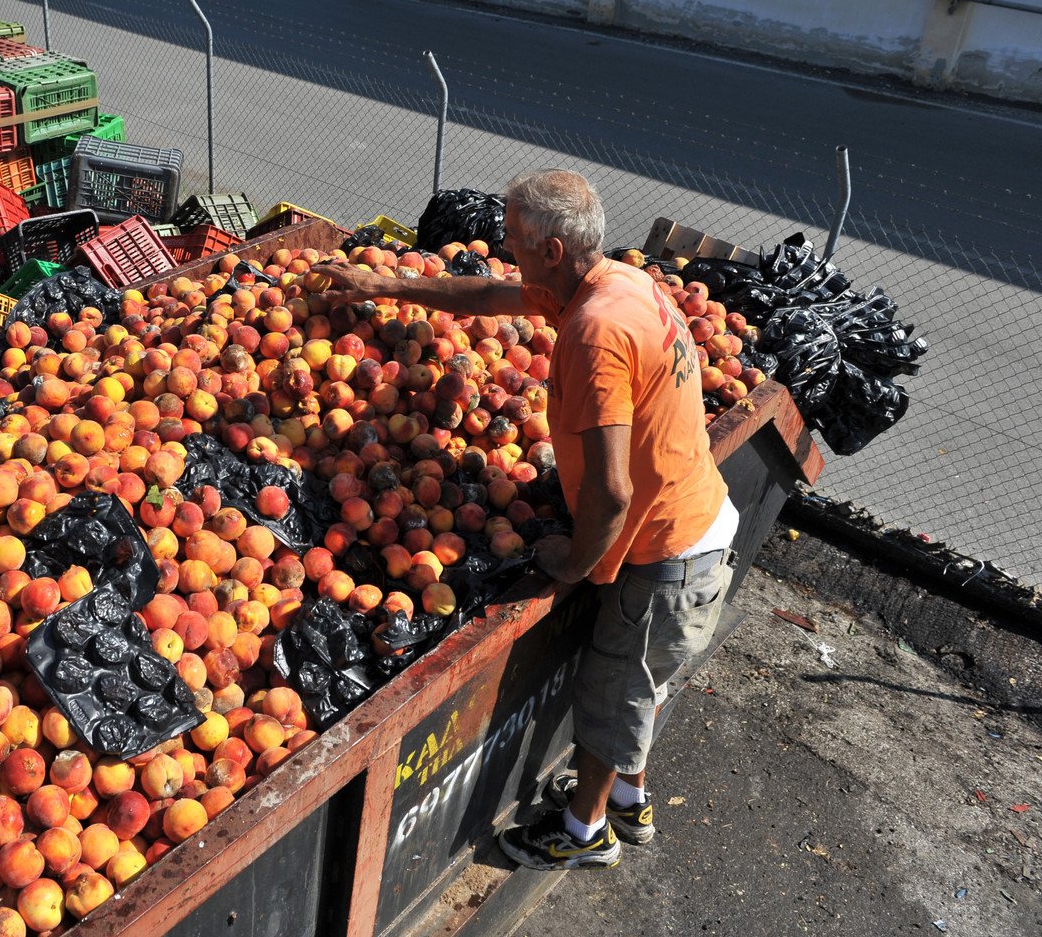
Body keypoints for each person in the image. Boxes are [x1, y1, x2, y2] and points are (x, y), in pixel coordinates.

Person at [314, 169, 737, 871]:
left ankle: (584, 832)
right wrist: (378, 284)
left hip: (667, 549)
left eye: (512, 236)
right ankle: (627, 794)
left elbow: (608, 490)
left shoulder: (594, 334)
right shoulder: (616, 283)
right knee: (641, 686)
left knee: (615, 694)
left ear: (550, 250)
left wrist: (573, 563)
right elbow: (482, 293)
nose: (499, 244)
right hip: (695, 516)